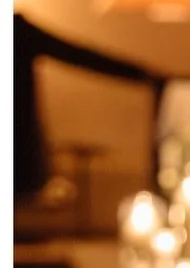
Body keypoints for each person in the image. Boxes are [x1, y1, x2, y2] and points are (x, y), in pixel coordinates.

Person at [14, 12, 159, 203]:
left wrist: (142, 75)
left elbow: (77, 55)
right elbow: (76, 55)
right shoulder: (16, 30)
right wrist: (144, 75)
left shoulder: (16, 31)